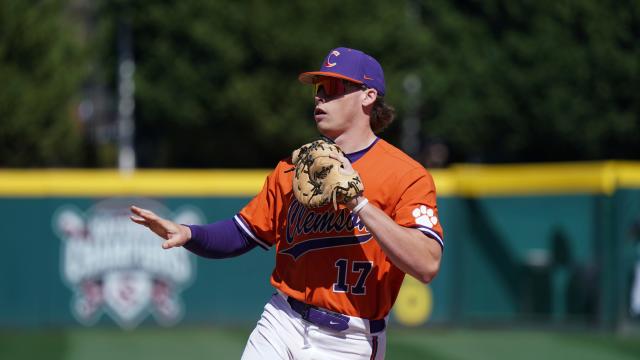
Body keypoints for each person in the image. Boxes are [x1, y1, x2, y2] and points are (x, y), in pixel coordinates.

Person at [130, 47, 444, 360]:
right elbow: (243, 232)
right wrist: (188, 234)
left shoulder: (405, 175)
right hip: (282, 319)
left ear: (368, 96)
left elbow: (427, 264)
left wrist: (359, 203)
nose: (320, 97)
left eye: (332, 88)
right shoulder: (297, 168)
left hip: (351, 339)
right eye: (318, 89)